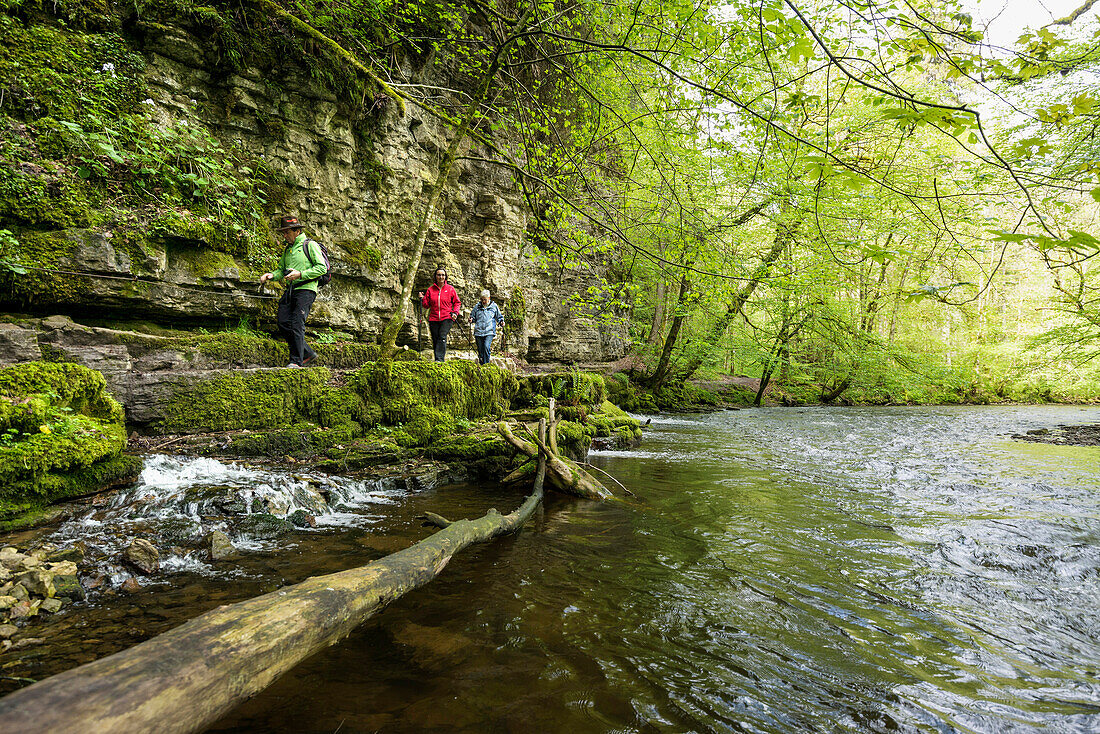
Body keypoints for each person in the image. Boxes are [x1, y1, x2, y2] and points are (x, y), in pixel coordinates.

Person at [260, 215, 328, 368]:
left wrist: (301, 274)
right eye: (283, 233)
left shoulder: (310, 245)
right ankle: (307, 353)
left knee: (297, 323)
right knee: (283, 321)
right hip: (291, 290)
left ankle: (297, 361)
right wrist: (271, 275)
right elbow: (281, 270)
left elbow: (322, 268)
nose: (284, 236)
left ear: (297, 231)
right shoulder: (288, 249)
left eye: (286, 232)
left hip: (306, 289)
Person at [419, 267, 461, 362]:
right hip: (433, 318)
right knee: (435, 338)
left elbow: (457, 302)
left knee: (442, 336)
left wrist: (455, 312)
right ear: (435, 276)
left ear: (445, 276)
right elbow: (426, 305)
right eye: (439, 275)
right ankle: (437, 358)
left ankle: (440, 359)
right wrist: (422, 298)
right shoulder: (431, 290)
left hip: (447, 317)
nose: (441, 277)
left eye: (443, 275)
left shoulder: (450, 289)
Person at [469, 289, 504, 366]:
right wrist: (471, 319)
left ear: (489, 298)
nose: (483, 301)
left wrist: (501, 321)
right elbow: (473, 316)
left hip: (489, 331)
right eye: (482, 299)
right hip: (478, 331)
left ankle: (487, 365)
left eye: (485, 299)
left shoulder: (494, 306)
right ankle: (482, 365)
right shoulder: (477, 306)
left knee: (486, 347)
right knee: (480, 350)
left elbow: (499, 316)